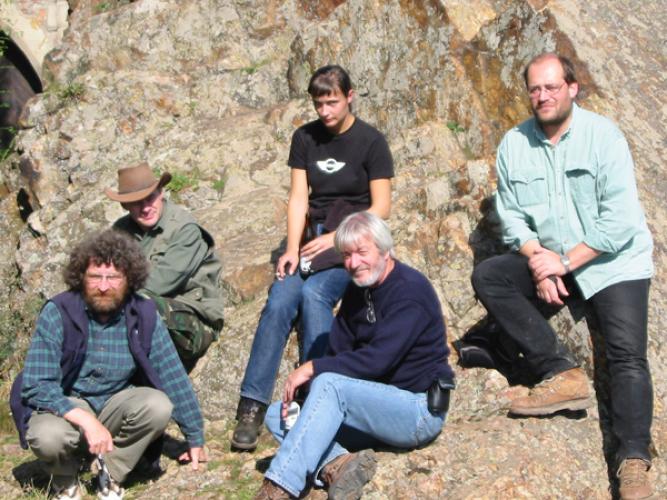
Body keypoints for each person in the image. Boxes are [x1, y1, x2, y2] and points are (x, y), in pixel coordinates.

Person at [467, 53, 654, 499]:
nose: (543, 96)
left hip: (612, 263)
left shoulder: (603, 137)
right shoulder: (514, 144)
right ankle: (561, 373)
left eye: (552, 87)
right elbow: (512, 218)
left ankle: (633, 464)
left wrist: (565, 263)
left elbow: (622, 221)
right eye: (535, 88)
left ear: (573, 88)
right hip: (552, 259)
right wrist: (537, 259)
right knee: (491, 276)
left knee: (627, 356)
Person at [232, 65, 394, 451]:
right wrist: (291, 249)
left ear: (350, 96)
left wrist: (338, 241)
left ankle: (313, 396)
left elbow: (382, 207)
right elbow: (299, 199)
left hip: (352, 245)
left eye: (332, 102)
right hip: (310, 244)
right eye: (319, 103)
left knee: (314, 296)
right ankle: (251, 407)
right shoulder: (304, 138)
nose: (325, 111)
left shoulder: (371, 142)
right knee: (279, 299)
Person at [254, 211, 455, 499]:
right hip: (370, 410)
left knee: (329, 384)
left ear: (385, 250)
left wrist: (313, 367)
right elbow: (340, 350)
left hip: (415, 410)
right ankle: (339, 464)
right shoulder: (358, 291)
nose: (353, 263)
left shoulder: (410, 291)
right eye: (346, 255)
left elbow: (377, 360)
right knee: (280, 414)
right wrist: (306, 396)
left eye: (362, 252)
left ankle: (280, 486)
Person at [10, 230, 207, 500]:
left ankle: (110, 471)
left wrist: (194, 436)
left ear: (129, 279)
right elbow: (35, 385)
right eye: (95, 277)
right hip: (67, 407)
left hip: (117, 405)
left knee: (159, 404)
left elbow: (172, 375)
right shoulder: (58, 311)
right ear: (80, 277)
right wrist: (87, 421)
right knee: (46, 435)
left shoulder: (144, 313)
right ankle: (65, 479)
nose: (104, 286)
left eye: (113, 277)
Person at [105, 162, 224, 372]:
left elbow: (158, 284)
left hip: (193, 322)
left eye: (150, 198)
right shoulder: (120, 232)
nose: (145, 208)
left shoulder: (185, 230)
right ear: (125, 206)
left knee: (142, 306)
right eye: (136, 203)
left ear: (161, 193)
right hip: (136, 315)